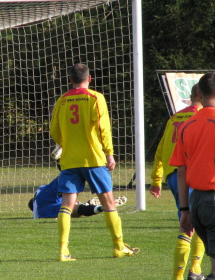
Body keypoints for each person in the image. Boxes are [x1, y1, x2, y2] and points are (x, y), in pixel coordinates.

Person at [49, 63, 139, 261]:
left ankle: (63, 250)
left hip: (70, 159)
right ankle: (118, 247)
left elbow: (54, 129)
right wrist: (109, 153)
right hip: (94, 158)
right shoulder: (95, 98)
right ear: (89, 79)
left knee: (66, 205)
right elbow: (102, 127)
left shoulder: (62, 100)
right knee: (108, 202)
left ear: (69, 79)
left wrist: (65, 144)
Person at [169, 73, 215, 280]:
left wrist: (185, 210)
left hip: (197, 201)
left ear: (198, 93)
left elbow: (181, 170)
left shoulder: (187, 126)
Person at [150, 84, 205, 280]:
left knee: (186, 222)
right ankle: (194, 269)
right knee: (199, 223)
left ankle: (179, 275)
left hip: (173, 176)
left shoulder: (175, 117)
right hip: (192, 172)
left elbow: (160, 149)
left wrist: (156, 179)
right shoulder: (202, 116)